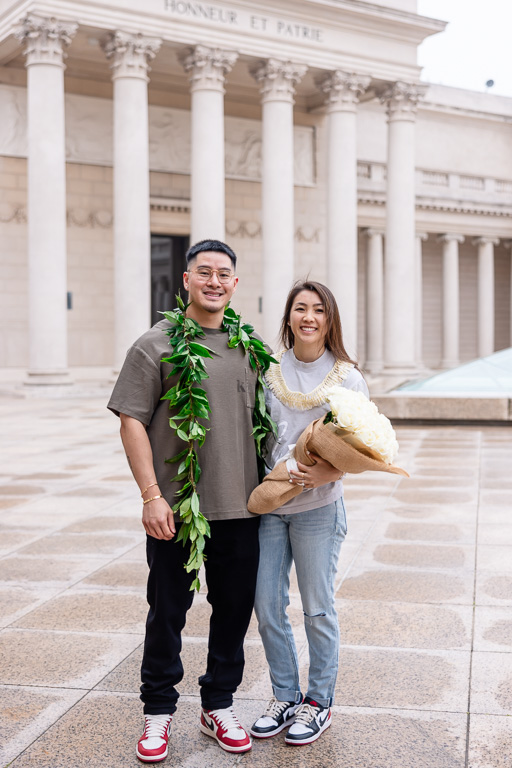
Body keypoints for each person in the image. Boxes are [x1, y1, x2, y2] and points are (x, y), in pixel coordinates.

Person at [108, 240, 262, 762]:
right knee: (167, 612)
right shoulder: (156, 344)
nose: (214, 281)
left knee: (235, 612)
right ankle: (157, 713)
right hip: (176, 507)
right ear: (187, 280)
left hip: (242, 507)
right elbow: (131, 420)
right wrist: (151, 496)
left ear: (235, 285)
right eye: (204, 273)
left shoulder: (250, 346)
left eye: (224, 274)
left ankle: (218, 702)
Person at [250, 280, 368, 746]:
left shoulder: (347, 376)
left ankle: (318, 703)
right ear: (288, 317)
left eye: (318, 310)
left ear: (329, 319)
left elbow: (363, 443)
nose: (309, 317)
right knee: (267, 606)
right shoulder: (268, 370)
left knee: (318, 610)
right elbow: (259, 434)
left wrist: (326, 474)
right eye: (300, 308)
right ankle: (285, 694)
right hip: (272, 506)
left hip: (319, 510)